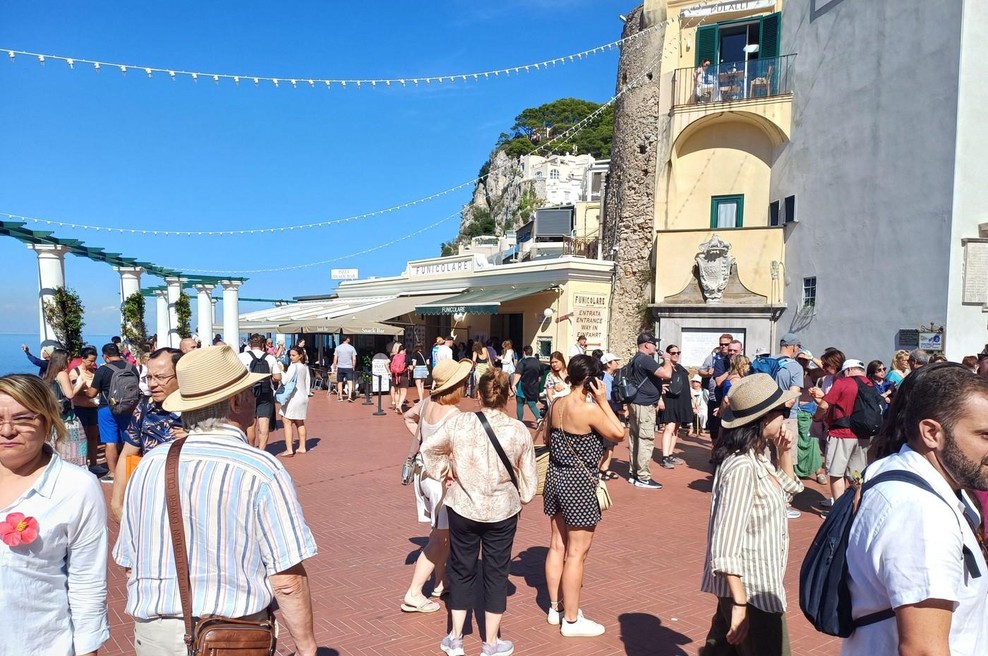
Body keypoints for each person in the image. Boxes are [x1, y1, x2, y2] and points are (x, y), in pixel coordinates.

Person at [114, 345, 318, 656]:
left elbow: (130, 563)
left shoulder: (150, 464)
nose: (254, 399)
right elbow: (286, 579)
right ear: (236, 401)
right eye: (249, 392)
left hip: (156, 636)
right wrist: (307, 647)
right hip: (232, 636)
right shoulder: (261, 469)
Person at [843, 363, 988, 655]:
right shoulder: (920, 514)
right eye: (985, 435)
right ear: (931, 432)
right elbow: (924, 649)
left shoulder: (901, 472)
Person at [422, 369, 537, 656]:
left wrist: (446, 471)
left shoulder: (460, 422)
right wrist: (522, 495)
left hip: (464, 505)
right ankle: (491, 642)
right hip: (502, 509)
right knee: (497, 572)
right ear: (508, 395)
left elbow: (429, 449)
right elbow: (529, 479)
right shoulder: (518, 430)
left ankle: (456, 638)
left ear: (478, 394)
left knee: (461, 568)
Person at [0, 373, 109, 656]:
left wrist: (88, 649)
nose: (8, 430)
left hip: (39, 646)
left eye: (24, 419)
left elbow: (87, 581)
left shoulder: (76, 487)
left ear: (48, 421)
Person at [699, 374, 802, 656]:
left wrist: (784, 452)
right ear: (763, 419)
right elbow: (725, 543)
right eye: (781, 413)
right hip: (752, 588)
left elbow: (787, 492)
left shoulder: (757, 457)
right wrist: (739, 603)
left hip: (759, 582)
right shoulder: (742, 467)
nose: (784, 418)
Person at [543, 355, 626, 637]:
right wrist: (603, 401)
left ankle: (555, 608)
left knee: (557, 545)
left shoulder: (556, 404)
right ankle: (571, 620)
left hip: (556, 476)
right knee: (577, 553)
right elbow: (618, 433)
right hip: (579, 482)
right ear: (591, 381)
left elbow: (547, 438)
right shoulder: (589, 409)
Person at [399, 359, 472, 613]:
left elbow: (408, 417)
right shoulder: (455, 416)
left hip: (422, 475)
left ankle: (441, 582)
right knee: (440, 538)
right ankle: (414, 592)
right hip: (440, 480)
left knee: (441, 532)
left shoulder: (427, 403)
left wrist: (426, 444)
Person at [109, 347, 185, 521]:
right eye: (149, 377)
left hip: (187, 503)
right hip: (150, 502)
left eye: (160, 377)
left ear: (180, 376)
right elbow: (127, 455)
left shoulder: (199, 412)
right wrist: (116, 503)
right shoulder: (144, 408)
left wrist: (194, 439)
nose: (152, 384)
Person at [810, 358, 874, 508]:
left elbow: (824, 405)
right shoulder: (869, 384)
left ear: (848, 370)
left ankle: (838, 509)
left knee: (836, 473)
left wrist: (817, 417)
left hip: (841, 433)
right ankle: (858, 506)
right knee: (856, 475)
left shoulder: (843, 383)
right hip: (863, 435)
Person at [83, 343, 137, 484]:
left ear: (105, 356)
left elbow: (92, 393)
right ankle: (130, 470)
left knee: (110, 441)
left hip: (107, 408)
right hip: (129, 408)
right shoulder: (131, 367)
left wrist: (83, 391)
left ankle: (113, 473)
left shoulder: (103, 370)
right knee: (129, 440)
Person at [626, 332, 673, 489]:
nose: (655, 346)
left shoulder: (635, 359)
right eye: (654, 343)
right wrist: (667, 360)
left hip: (636, 403)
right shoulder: (645, 359)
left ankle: (634, 473)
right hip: (644, 406)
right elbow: (666, 374)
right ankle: (643, 477)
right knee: (645, 440)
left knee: (635, 439)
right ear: (647, 345)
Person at [41, 348, 88, 467]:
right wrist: (80, 384)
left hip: (56, 418)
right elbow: (70, 395)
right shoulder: (62, 374)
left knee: (59, 448)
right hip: (68, 419)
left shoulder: (48, 376)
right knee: (75, 447)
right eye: (68, 360)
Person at [238, 334, 282, 450]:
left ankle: (251, 448)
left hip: (248, 393)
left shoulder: (241, 357)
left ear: (249, 344)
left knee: (250, 424)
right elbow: (278, 377)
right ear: (263, 344)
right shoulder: (270, 358)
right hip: (265, 393)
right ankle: (262, 450)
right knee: (264, 424)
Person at [658, 344, 693, 469]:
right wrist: (660, 400)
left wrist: (691, 401)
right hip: (669, 401)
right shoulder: (663, 367)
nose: (676, 355)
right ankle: (664, 457)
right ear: (668, 354)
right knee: (669, 428)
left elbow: (686, 385)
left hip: (681, 401)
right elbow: (657, 384)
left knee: (676, 429)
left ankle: (670, 454)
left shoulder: (680, 368)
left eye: (678, 352)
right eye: (673, 353)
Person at [69, 345, 101, 472]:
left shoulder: (95, 372)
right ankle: (82, 463)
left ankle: (93, 463)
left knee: (93, 436)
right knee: (82, 438)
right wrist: (88, 393)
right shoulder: (75, 372)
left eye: (94, 361)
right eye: (90, 361)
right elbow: (72, 390)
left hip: (93, 408)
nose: (93, 364)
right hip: (80, 408)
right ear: (83, 359)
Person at [699, 334, 733, 444]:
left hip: (730, 397)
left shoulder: (737, 359)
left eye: (726, 344)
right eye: (721, 344)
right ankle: (715, 450)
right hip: (714, 396)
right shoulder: (713, 358)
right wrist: (707, 373)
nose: (723, 346)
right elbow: (701, 371)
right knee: (714, 427)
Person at [279, 346, 311, 457]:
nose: (291, 357)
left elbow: (284, 380)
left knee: (287, 421)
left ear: (300, 356)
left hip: (294, 397)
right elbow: (307, 383)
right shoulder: (304, 367)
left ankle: (289, 449)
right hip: (303, 396)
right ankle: (302, 447)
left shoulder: (293, 367)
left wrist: (280, 371)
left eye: (293, 355)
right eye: (290, 355)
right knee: (300, 421)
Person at [599, 352, 623, 478]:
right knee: (606, 442)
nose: (617, 363)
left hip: (612, 412)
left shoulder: (612, 377)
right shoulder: (603, 377)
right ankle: (599, 469)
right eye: (614, 361)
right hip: (606, 413)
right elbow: (607, 396)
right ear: (608, 364)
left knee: (611, 442)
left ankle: (604, 468)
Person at [512, 345, 542, 425]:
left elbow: (518, 374)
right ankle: (539, 418)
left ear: (524, 352)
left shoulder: (523, 362)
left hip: (523, 385)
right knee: (532, 403)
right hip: (533, 385)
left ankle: (520, 421)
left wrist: (513, 384)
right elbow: (540, 377)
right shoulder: (538, 362)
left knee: (520, 403)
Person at [333, 335, 358, 401]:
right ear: (347, 339)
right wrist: (353, 366)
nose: (349, 339)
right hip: (349, 367)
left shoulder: (338, 348)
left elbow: (335, 358)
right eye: (349, 338)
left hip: (340, 367)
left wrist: (334, 367)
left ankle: (340, 397)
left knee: (340, 382)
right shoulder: (351, 348)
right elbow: (354, 359)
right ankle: (349, 396)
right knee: (350, 382)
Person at [390, 343, 410, 412]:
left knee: (397, 392)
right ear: (404, 350)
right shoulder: (407, 357)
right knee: (403, 392)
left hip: (395, 376)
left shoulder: (394, 356)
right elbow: (411, 367)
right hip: (403, 376)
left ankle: (396, 406)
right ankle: (399, 405)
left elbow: (387, 363)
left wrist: (389, 372)